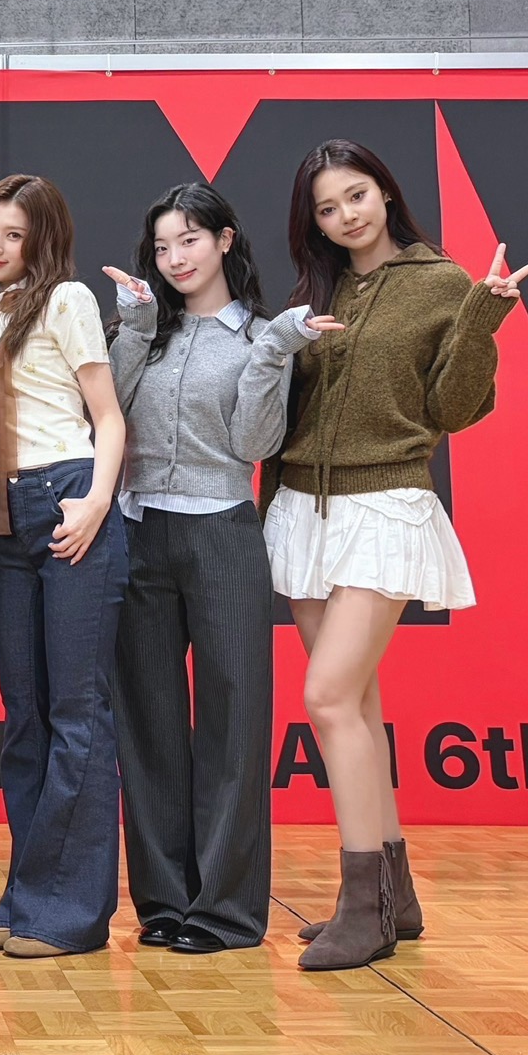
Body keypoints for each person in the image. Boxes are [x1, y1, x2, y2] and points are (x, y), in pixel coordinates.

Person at [266, 139, 528, 972]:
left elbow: (454, 407)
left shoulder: (441, 282)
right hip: (304, 508)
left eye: (356, 195)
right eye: (326, 207)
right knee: (358, 703)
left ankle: (365, 909)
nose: (345, 215)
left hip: (383, 505)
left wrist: (483, 315)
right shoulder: (318, 291)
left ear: (385, 193)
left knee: (328, 697)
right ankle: (394, 891)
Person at [103, 183, 327, 956]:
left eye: (190, 240)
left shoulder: (262, 336)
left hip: (224, 533)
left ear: (226, 239)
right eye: (162, 246)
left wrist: (273, 352)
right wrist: (135, 327)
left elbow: (255, 443)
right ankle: (164, 901)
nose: (175, 258)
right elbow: (105, 414)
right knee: (150, 723)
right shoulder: (145, 331)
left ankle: (226, 911)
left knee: (233, 722)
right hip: (139, 531)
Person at [0, 174, 129, 960]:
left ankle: (70, 912)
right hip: (5, 515)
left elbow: (108, 417)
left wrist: (94, 502)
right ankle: (28, 895)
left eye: (12, 234)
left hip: (67, 496)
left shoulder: (66, 300)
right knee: (24, 716)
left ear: (41, 240)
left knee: (76, 711)